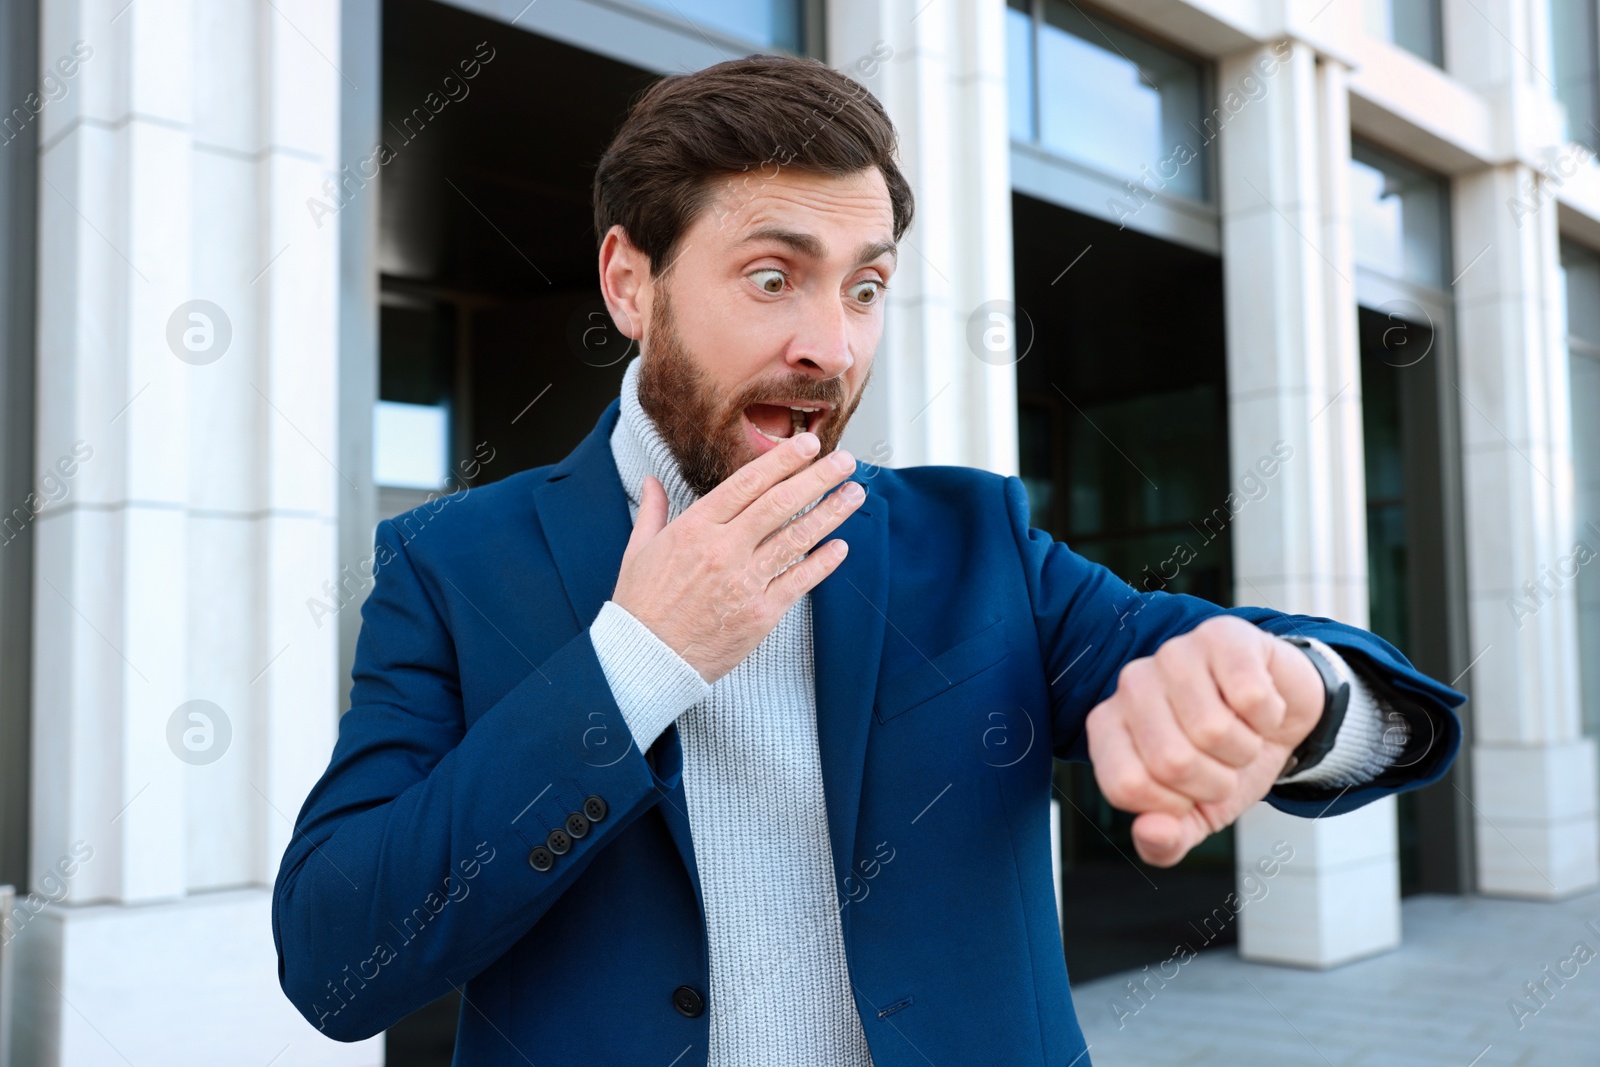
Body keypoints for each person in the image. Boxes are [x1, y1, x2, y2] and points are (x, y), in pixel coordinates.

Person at [272, 53, 1463, 1066]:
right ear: (630, 283)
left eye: (868, 286)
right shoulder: (449, 563)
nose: (830, 346)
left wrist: (1293, 694)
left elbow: (1265, 681)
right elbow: (336, 958)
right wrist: (634, 661)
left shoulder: (974, 543)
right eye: (772, 275)